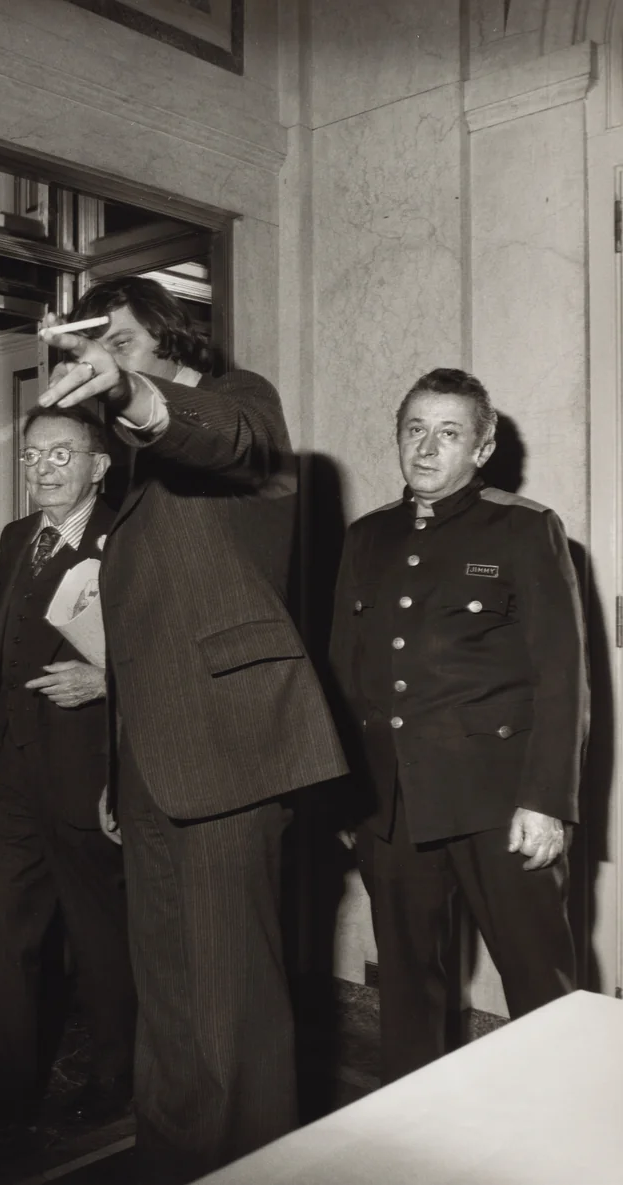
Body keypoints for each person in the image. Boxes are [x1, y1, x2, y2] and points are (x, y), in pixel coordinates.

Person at [38, 277, 347, 1182]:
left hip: (232, 757)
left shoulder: (240, 405)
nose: (108, 362)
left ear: (176, 344)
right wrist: (118, 761)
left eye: (125, 342)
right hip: (155, 761)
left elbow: (224, 434)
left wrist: (134, 390)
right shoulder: (130, 485)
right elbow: (145, 640)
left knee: (234, 1009)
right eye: (101, 350)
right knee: (171, 1004)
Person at [328, 368, 587, 1083]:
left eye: (449, 432)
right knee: (407, 988)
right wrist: (348, 791)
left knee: (539, 982)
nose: (426, 447)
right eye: (415, 429)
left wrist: (547, 802)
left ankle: (562, 1121)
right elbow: (344, 673)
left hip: (498, 801)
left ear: (483, 445)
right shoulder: (368, 536)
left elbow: (562, 676)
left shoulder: (523, 527)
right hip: (392, 803)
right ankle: (417, 1127)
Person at [0, 404, 136, 1136]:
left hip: (90, 769)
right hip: (16, 769)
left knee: (99, 936)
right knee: (3, 932)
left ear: (98, 465)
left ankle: (116, 1078)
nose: (43, 468)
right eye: (32, 455)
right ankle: (1, 1093)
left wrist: (108, 679)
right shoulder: (17, 535)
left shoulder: (129, 536)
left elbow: (172, 652)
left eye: (62, 454)